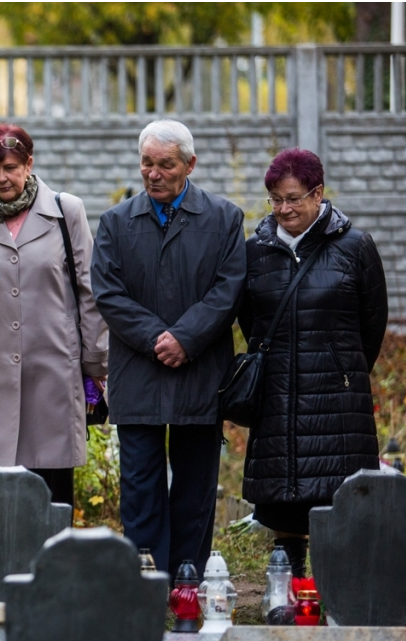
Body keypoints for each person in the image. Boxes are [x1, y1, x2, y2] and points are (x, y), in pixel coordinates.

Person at [90, 119, 246, 580]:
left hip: (200, 375)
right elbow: (109, 293)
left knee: (196, 486)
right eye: (146, 163)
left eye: (165, 164)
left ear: (189, 165)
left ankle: (187, 577)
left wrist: (187, 338)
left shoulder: (224, 218)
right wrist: (159, 338)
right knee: (140, 484)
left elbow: (229, 289)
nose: (153, 174)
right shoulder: (117, 222)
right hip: (138, 374)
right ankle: (145, 580)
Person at [238, 148, 388, 577]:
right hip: (278, 394)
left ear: (317, 193)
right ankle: (285, 589)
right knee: (284, 502)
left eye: (293, 198)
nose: (283, 209)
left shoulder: (355, 247)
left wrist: (343, 369)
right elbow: (251, 322)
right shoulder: (255, 252)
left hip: (338, 401)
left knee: (339, 500)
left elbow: (372, 324)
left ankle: (341, 593)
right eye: (275, 200)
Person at [0, 124, 108, 506]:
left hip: (53, 370)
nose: (2, 178)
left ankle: (50, 565)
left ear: (29, 164)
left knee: (51, 489)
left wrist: (95, 361)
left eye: (11, 168)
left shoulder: (66, 211)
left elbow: (89, 290)